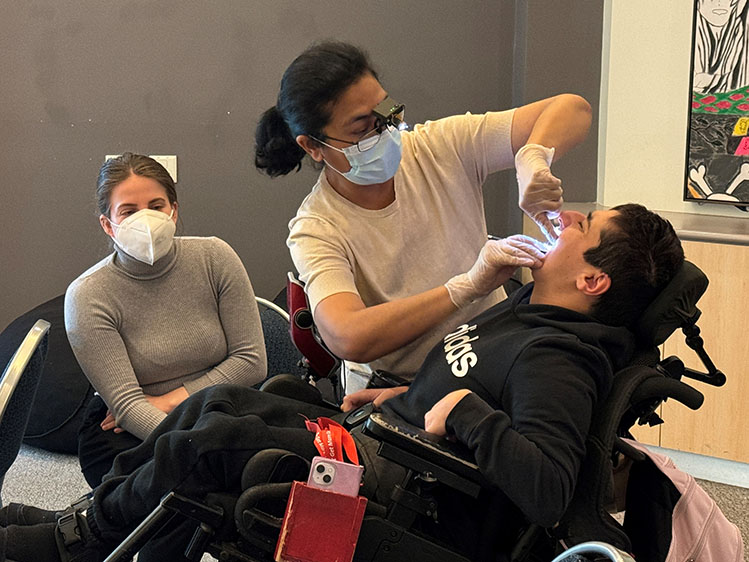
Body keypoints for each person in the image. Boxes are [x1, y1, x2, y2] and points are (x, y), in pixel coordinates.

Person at [0, 203, 684, 562]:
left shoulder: (560, 359)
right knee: (215, 403)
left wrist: (468, 415)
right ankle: (93, 521)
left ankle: (75, 544)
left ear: (591, 281)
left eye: (582, 227)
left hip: (413, 496)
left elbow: (547, 487)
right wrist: (405, 399)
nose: (563, 221)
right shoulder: (531, 312)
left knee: (214, 440)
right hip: (387, 445)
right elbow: (470, 377)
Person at [255, 41, 592, 387]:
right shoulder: (317, 228)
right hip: (415, 387)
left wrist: (533, 157)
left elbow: (573, 109)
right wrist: (465, 288)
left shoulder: (438, 147)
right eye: (361, 130)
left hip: (501, 354)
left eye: (387, 114)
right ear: (313, 146)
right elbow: (347, 336)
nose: (383, 133)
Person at [64, 153, 267, 487]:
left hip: (224, 408)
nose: (145, 219)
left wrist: (172, 400)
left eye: (156, 206)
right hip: (135, 430)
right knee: (190, 495)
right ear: (107, 224)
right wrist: (204, 448)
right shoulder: (88, 295)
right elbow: (128, 407)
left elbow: (252, 362)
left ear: (174, 210)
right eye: (128, 211)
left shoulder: (215, 258)